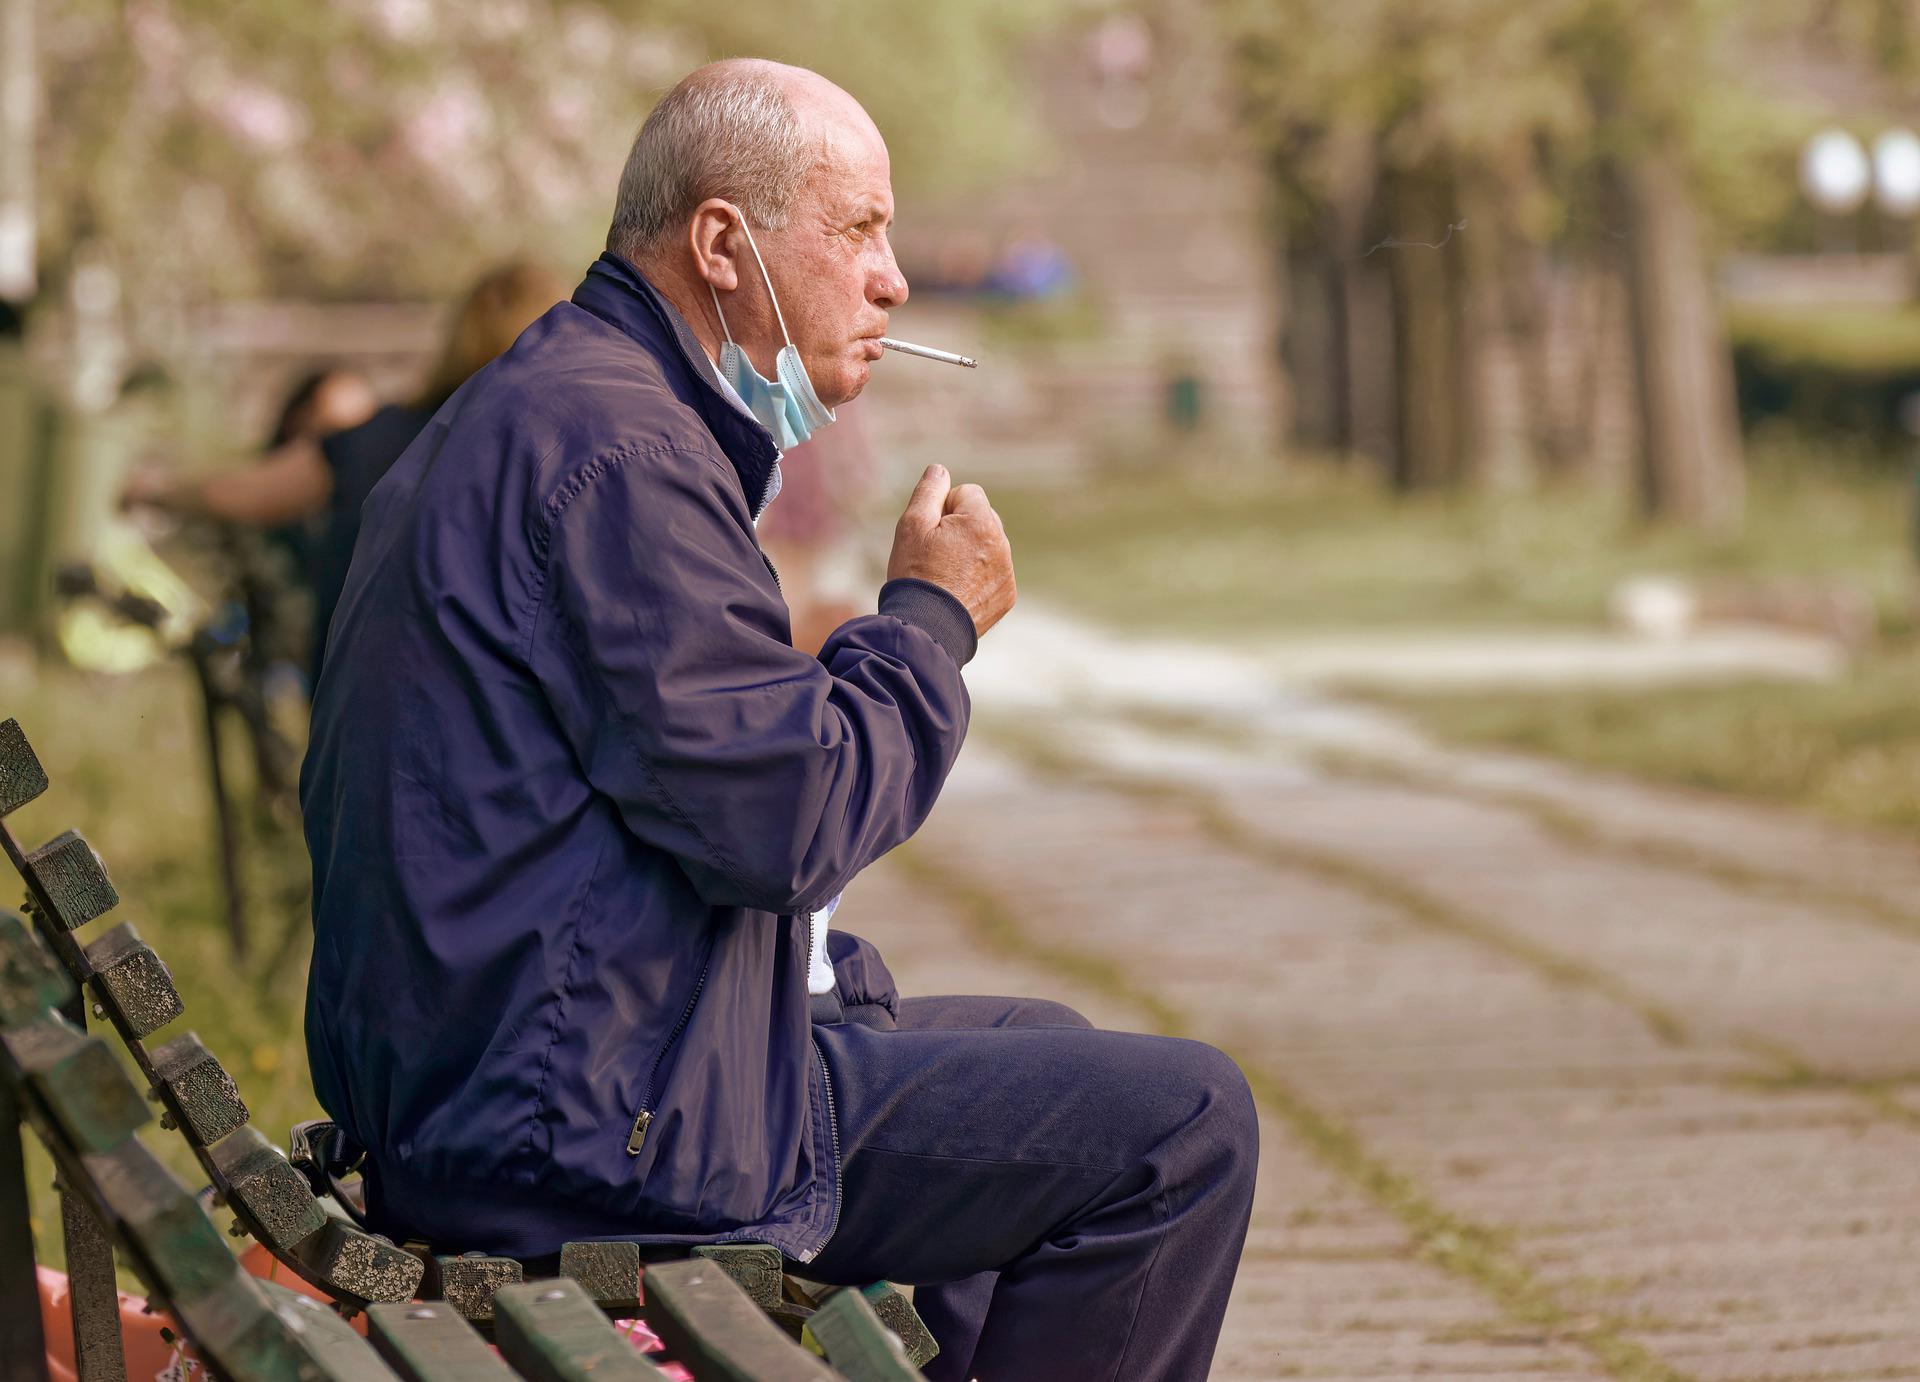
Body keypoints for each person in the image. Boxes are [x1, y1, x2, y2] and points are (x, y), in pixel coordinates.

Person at [300, 60, 1257, 1381]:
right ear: (723, 246)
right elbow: (788, 824)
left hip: (520, 1076)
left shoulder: (576, 404)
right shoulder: (618, 457)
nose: (896, 278)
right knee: (1187, 1126)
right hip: (570, 1129)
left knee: (1044, 1052)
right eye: (859, 228)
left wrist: (814, 985)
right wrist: (927, 624)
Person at [124, 263, 563, 676]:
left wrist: (153, 491)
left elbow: (243, 494)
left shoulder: (382, 440)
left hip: (368, 706)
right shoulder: (573, 463)